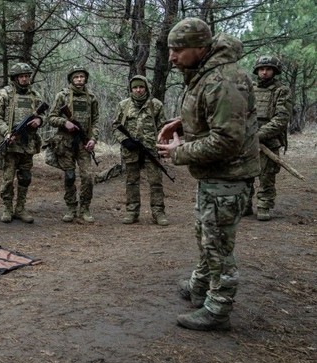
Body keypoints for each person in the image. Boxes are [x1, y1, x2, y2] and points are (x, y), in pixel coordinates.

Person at [157, 17, 259, 331]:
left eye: (178, 50)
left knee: (218, 246)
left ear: (200, 48)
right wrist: (182, 122)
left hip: (227, 177)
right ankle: (200, 285)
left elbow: (227, 141)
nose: (172, 57)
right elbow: (212, 116)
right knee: (206, 236)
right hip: (214, 177)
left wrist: (179, 152)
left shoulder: (223, 80)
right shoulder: (205, 74)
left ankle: (217, 309)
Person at [0, 62, 45, 223]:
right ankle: (7, 208)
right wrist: (7, 133)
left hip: (28, 144)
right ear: (15, 78)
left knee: (25, 177)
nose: (24, 79)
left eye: (27, 76)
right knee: (8, 179)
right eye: (21, 76)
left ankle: (20, 208)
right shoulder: (5, 94)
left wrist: (39, 121)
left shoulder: (35, 95)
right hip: (10, 143)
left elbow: (44, 115)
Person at [112, 75, 169, 226]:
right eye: (135, 87)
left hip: (151, 150)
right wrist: (124, 140)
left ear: (146, 88)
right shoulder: (123, 105)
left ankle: (158, 212)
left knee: (156, 182)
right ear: (131, 89)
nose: (138, 90)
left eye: (141, 87)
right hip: (130, 151)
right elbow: (115, 126)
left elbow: (164, 128)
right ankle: (132, 212)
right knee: (131, 182)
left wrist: (163, 147)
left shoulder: (156, 105)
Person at [46, 65, 99, 223]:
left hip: (83, 143)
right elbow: (51, 117)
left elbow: (95, 121)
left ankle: (85, 208)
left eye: (82, 77)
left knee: (88, 177)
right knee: (69, 176)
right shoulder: (62, 96)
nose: (79, 80)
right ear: (71, 79)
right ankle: (71, 208)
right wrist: (65, 123)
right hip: (65, 143)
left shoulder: (92, 98)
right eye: (76, 77)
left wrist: (93, 139)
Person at [247, 56, 292, 221]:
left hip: (269, 140)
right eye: (261, 69)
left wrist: (258, 135)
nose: (264, 72)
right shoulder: (249, 89)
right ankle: (245, 205)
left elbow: (281, 119)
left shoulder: (282, 90)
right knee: (244, 174)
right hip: (247, 141)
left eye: (268, 69)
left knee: (266, 175)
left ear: (275, 71)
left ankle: (263, 205)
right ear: (257, 70)